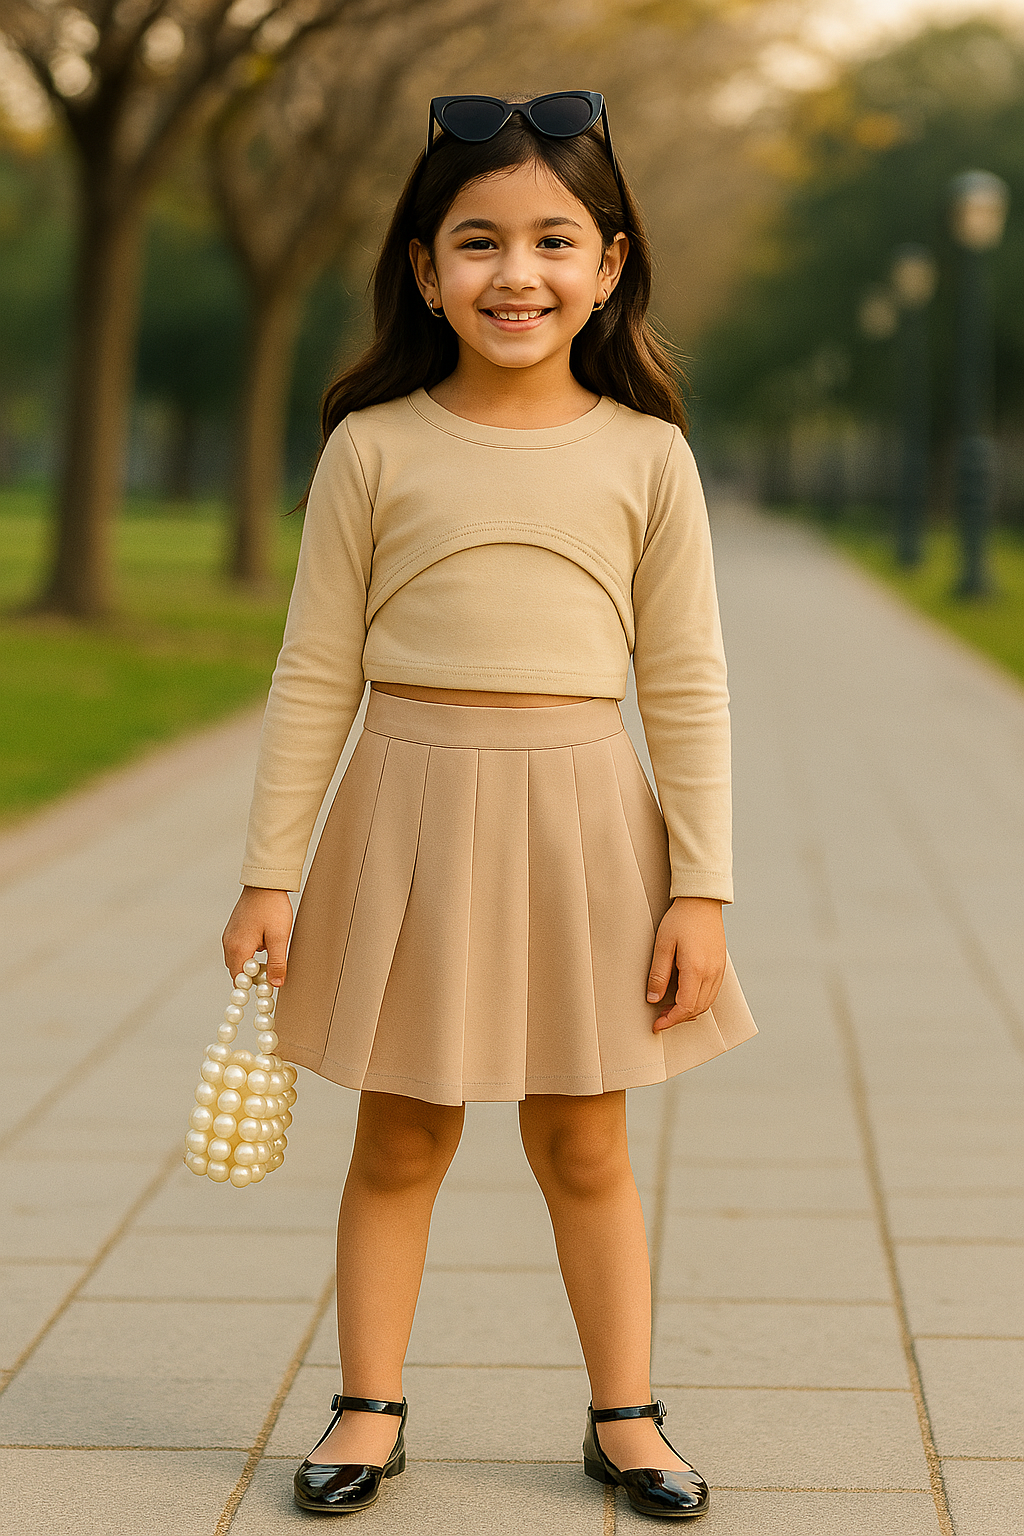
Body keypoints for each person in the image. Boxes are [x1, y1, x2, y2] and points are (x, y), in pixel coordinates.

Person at [222, 90, 757, 1521]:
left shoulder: (647, 456)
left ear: (611, 261)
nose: (515, 274)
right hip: (404, 811)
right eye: (477, 242)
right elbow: (312, 671)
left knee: (585, 1138)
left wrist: (700, 886)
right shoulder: (373, 445)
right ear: (421, 267)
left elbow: (688, 682)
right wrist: (270, 871)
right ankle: (367, 1406)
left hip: (589, 821)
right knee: (401, 1133)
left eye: (552, 242)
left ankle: (627, 1417)